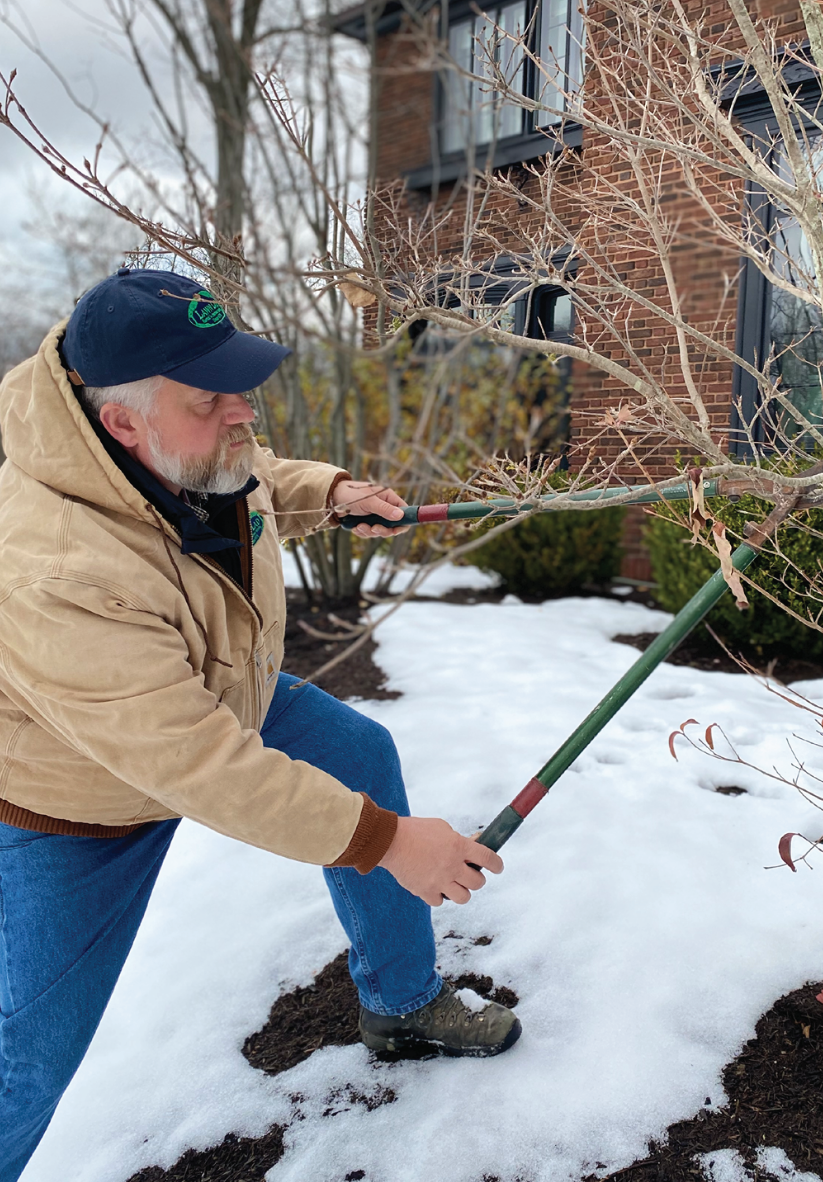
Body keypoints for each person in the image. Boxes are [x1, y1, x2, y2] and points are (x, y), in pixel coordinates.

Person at [0, 269, 520, 1182]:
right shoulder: (50, 564)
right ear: (122, 423)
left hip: (212, 692)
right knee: (30, 1054)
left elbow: (246, 479)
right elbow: (193, 761)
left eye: (240, 387)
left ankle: (402, 1007)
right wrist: (387, 841)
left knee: (361, 751)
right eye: (213, 399)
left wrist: (330, 491)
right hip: (73, 796)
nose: (242, 412)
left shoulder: (169, 442)